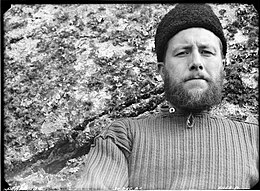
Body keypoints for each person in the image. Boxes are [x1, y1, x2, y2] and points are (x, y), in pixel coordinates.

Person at [76, 4, 259, 189]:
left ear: (223, 66)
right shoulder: (123, 136)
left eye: (206, 52)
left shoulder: (253, 138)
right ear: (162, 71)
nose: (196, 62)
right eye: (182, 53)